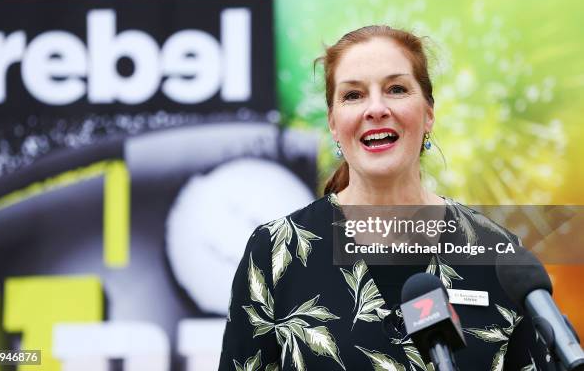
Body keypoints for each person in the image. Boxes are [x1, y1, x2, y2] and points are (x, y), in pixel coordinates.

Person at [219, 25, 553, 370]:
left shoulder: (498, 256)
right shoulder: (276, 253)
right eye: (353, 95)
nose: (375, 108)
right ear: (333, 123)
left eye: (396, 89)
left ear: (429, 113)